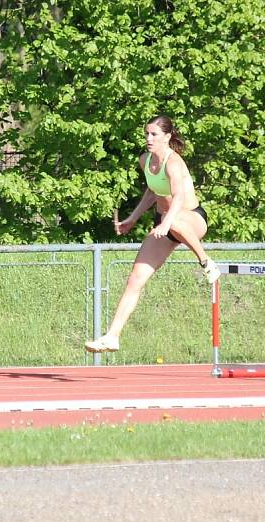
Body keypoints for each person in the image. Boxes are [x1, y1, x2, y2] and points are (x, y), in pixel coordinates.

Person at [85, 115, 221, 354]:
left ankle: (206, 262)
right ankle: (112, 336)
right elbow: (152, 191)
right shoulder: (145, 160)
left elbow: (178, 197)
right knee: (135, 279)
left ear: (167, 137)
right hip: (165, 223)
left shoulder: (173, 162)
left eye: (154, 134)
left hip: (190, 219)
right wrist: (133, 218)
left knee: (176, 220)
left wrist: (167, 223)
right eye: (146, 133)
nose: (149, 138)